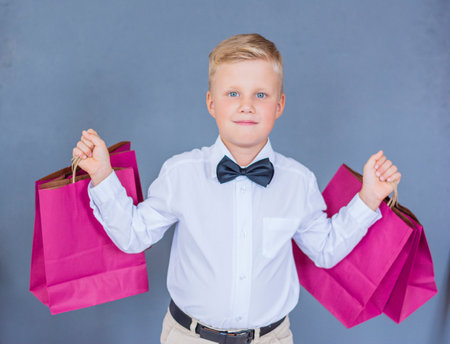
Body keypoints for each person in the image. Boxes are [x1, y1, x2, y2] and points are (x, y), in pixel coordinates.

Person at [72, 33, 401, 344]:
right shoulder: (180, 173)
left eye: (261, 94)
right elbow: (133, 236)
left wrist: (368, 198)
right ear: (211, 103)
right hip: (188, 337)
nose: (247, 105)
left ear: (279, 105)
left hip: (271, 338)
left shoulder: (299, 181)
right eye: (233, 93)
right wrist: (102, 174)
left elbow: (325, 250)